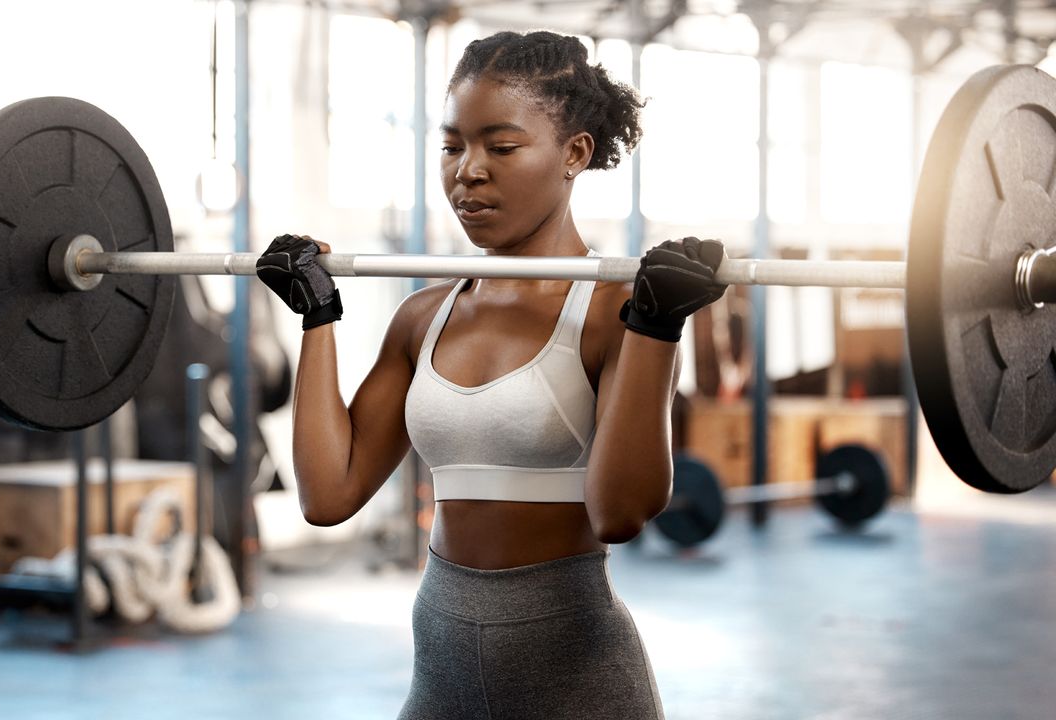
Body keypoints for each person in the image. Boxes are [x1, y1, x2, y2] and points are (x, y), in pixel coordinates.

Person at [256, 29, 727, 720]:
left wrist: (656, 329)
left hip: (577, 675)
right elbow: (328, 497)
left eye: (500, 147)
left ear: (574, 154)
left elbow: (620, 513)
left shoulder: (613, 313)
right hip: (441, 663)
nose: (467, 171)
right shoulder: (423, 317)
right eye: (452, 146)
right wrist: (317, 316)